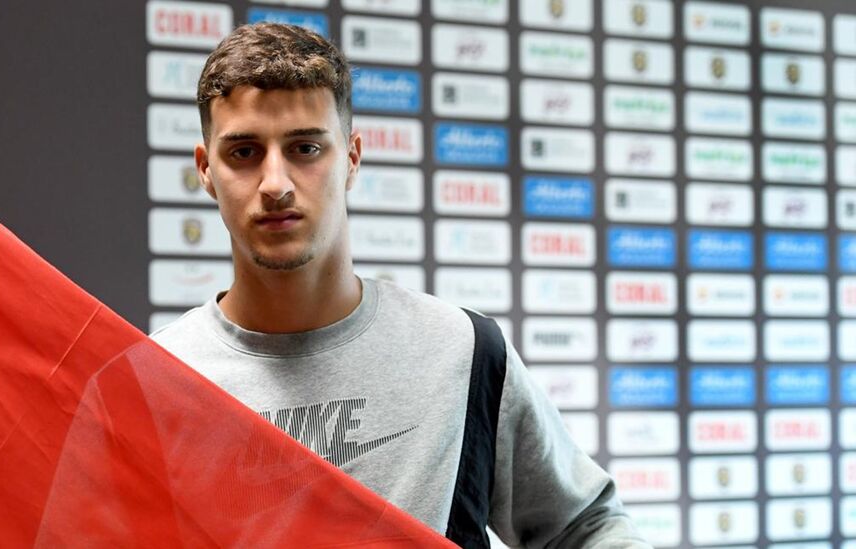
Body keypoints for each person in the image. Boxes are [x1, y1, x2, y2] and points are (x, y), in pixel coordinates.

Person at [150, 23, 649, 548]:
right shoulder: (156, 380)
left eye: (305, 148)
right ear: (205, 170)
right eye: (244, 153)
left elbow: (587, 526)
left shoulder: (461, 350)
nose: (275, 184)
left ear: (351, 158)